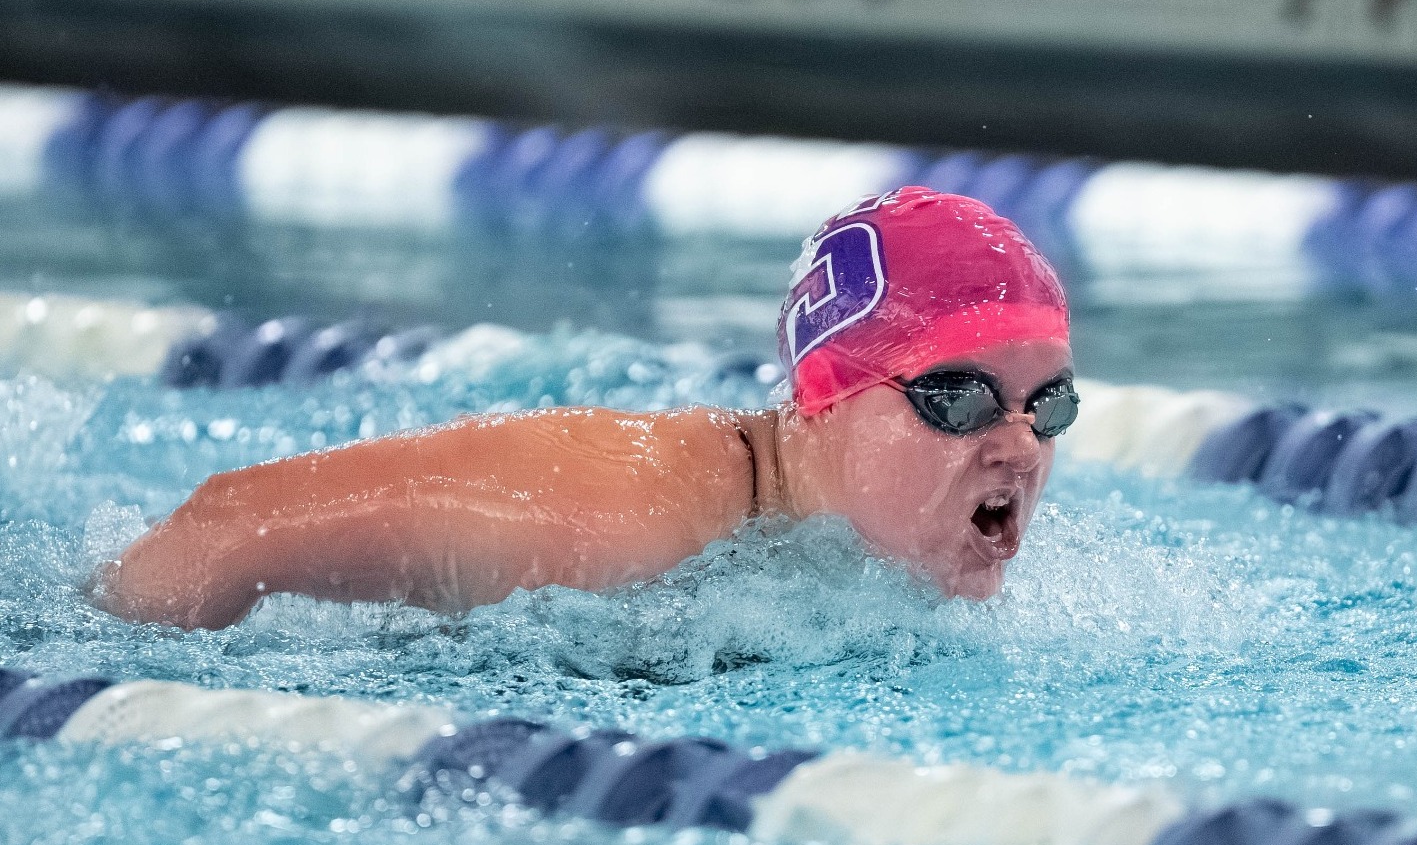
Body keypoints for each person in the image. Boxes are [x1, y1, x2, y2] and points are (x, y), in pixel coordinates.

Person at [92, 186, 1078, 630]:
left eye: (1048, 406)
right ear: (822, 394)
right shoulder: (615, 519)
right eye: (957, 399)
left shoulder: (846, 552)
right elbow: (222, 526)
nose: (1017, 447)